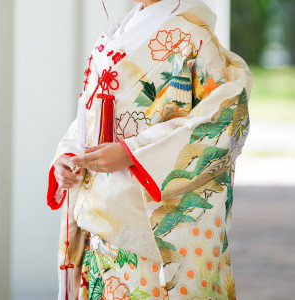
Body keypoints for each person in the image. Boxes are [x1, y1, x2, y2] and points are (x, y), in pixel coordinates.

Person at [47, 0, 253, 299]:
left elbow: (224, 116)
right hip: (97, 219)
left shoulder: (191, 33)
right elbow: (91, 113)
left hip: (146, 225)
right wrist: (68, 155)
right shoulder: (122, 28)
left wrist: (133, 152)